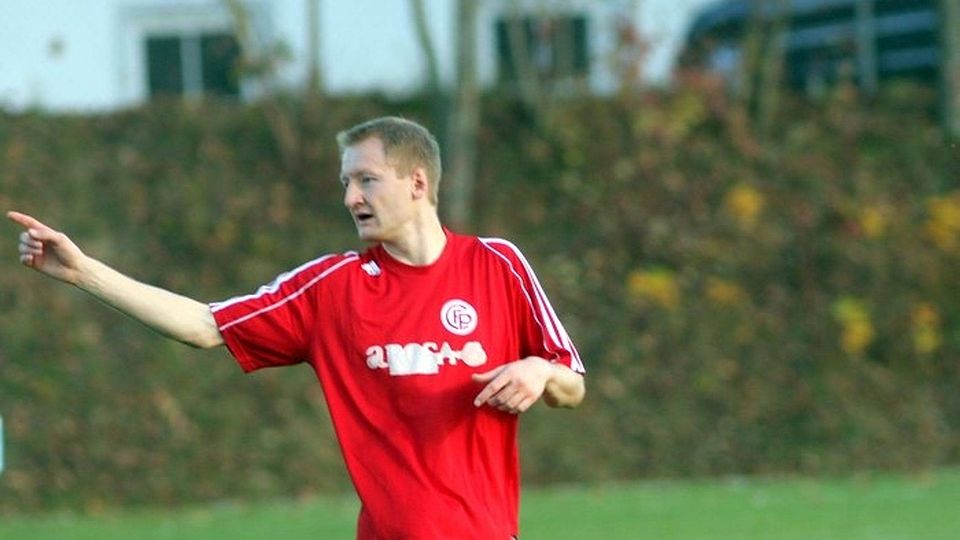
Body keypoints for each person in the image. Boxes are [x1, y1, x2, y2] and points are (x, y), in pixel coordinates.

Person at [8, 116, 585, 540]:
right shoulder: (333, 287)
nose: (350, 196)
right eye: (345, 183)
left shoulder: (497, 264)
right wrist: (83, 272)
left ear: (416, 182)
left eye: (366, 180)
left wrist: (539, 370)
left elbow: (572, 382)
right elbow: (207, 325)